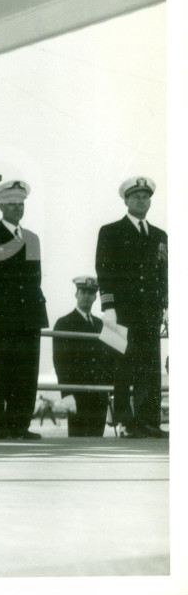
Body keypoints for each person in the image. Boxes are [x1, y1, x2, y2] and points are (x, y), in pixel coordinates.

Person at [95, 176, 168, 439]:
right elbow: (104, 271)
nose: (142, 200)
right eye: (136, 196)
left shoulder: (160, 236)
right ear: (126, 200)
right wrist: (108, 306)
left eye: (146, 196)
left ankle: (149, 421)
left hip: (150, 312)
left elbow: (164, 274)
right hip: (124, 312)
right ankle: (127, 423)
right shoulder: (111, 231)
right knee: (124, 368)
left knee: (150, 367)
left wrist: (168, 307)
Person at [0, 179, 48, 440]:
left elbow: (36, 279)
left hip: (30, 317)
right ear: (1, 206)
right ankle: (2, 425)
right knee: (2, 372)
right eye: (11, 204)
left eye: (20, 204)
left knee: (27, 372)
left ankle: (21, 424)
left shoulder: (32, 239)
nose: (17, 208)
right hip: (3, 318)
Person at [51, 276, 116, 437]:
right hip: (77, 394)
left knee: (97, 442)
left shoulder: (101, 324)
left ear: (95, 297)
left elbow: (110, 360)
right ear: (76, 294)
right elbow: (60, 362)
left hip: (99, 395)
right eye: (83, 292)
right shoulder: (64, 323)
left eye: (91, 293)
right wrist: (66, 394)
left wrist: (110, 390)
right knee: (77, 445)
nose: (87, 296)